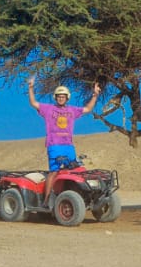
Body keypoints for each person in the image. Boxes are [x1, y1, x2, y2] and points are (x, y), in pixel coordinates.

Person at [26, 76, 100, 205]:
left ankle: (71, 197)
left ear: (67, 98)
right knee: (54, 171)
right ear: (55, 97)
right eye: (59, 96)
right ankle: (47, 199)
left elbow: (88, 109)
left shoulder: (72, 110)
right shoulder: (48, 109)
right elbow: (33, 103)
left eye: (63, 96)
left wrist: (95, 95)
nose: (61, 98)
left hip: (68, 146)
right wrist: (31, 87)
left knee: (74, 170)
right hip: (54, 145)